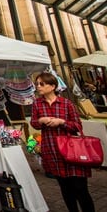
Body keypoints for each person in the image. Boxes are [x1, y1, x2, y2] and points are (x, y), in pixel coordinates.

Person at [30, 72, 95, 212]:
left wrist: (62, 122)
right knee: (65, 188)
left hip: (71, 151)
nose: (38, 87)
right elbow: (34, 123)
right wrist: (40, 121)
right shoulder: (37, 104)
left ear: (52, 86)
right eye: (37, 84)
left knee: (80, 189)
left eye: (42, 84)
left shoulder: (66, 104)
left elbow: (77, 126)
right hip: (52, 150)